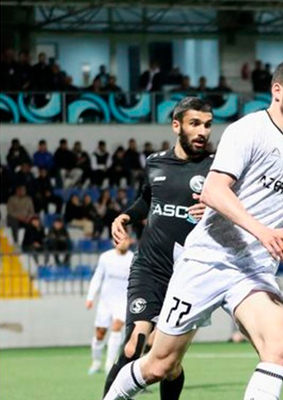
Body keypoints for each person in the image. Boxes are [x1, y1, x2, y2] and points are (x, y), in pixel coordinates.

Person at [102, 60, 283, 400]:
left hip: (253, 270)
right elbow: (212, 191)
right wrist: (263, 232)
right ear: (277, 90)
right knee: (160, 365)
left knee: (279, 347)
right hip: (207, 259)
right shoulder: (248, 130)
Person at [102, 97, 215, 400]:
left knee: (169, 365)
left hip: (191, 275)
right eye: (195, 124)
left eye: (207, 125)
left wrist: (215, 210)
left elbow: (236, 209)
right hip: (150, 268)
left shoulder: (217, 168)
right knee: (134, 345)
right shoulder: (155, 162)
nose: (202, 131)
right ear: (177, 126)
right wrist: (126, 216)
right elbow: (147, 199)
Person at [86, 236, 134, 375]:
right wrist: (90, 297)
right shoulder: (105, 257)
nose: (124, 242)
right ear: (115, 241)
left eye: (126, 239)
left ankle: (110, 364)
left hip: (123, 301)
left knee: (117, 328)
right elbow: (97, 277)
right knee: (100, 333)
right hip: (106, 301)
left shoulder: (133, 258)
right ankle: (96, 361)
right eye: (121, 239)